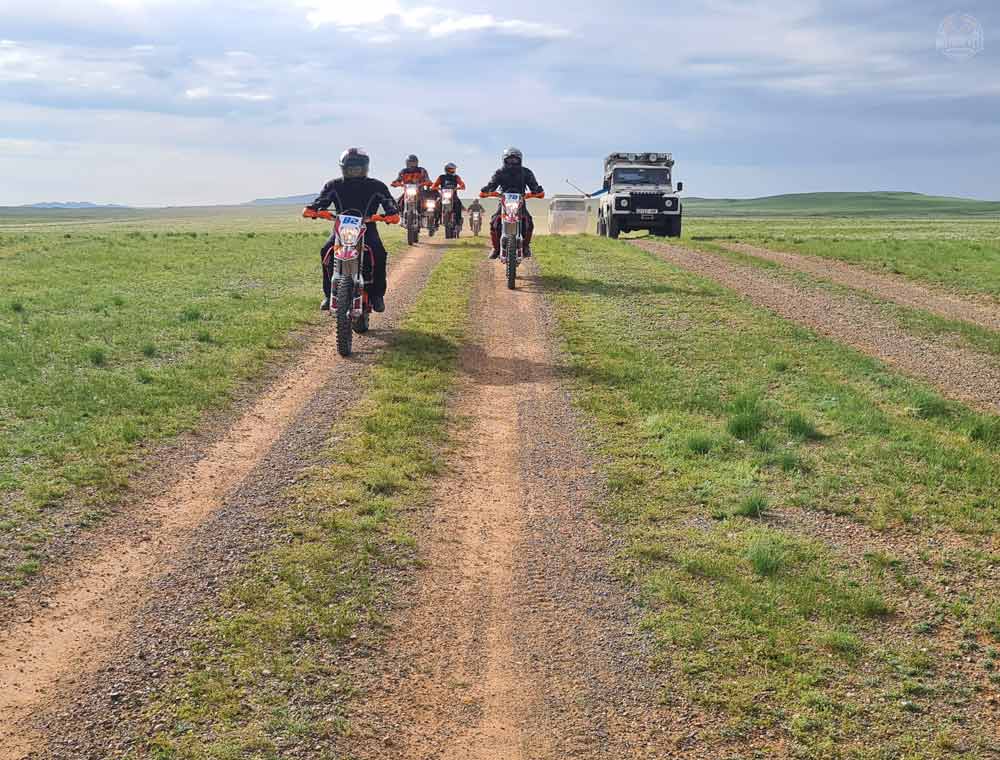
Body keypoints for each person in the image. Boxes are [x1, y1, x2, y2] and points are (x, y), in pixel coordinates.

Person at [303, 148, 399, 313]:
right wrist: (313, 209)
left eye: (358, 167)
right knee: (326, 250)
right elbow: (321, 201)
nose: (355, 170)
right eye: (351, 167)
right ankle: (328, 294)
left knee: (379, 253)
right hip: (341, 228)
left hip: (367, 228)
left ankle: (377, 295)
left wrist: (390, 215)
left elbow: (390, 204)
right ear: (343, 167)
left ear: (365, 167)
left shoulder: (376, 186)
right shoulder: (334, 185)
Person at [480, 147, 544, 259]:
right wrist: (487, 190)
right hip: (504, 201)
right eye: (510, 159)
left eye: (515, 160)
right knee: (494, 222)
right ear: (504, 160)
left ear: (520, 160)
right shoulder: (499, 172)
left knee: (528, 222)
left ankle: (525, 247)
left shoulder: (526, 172)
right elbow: (492, 184)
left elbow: (534, 186)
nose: (512, 162)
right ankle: (495, 248)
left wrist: (537, 191)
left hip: (520, 201)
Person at [432, 162, 466, 229]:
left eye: (454, 169)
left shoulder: (456, 177)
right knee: (436, 205)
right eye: (452, 169)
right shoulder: (441, 177)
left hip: (453, 196)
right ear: (447, 169)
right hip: (443, 196)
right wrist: (438, 188)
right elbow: (433, 186)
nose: (453, 170)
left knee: (458, 204)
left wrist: (458, 187)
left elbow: (462, 185)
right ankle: (435, 222)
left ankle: (458, 221)